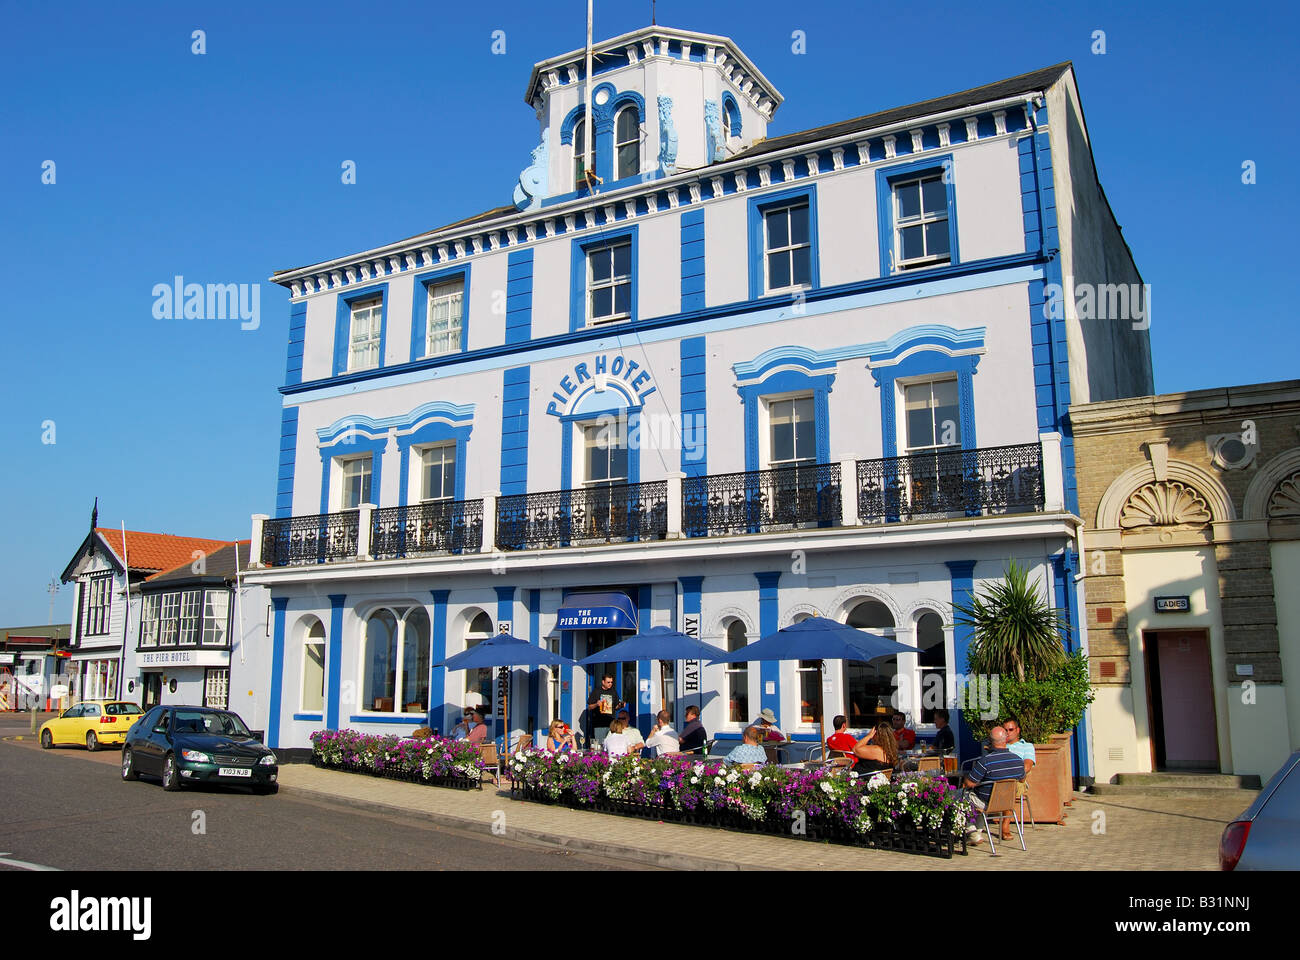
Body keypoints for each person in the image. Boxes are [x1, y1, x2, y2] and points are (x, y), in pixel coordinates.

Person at [962, 725, 1026, 844]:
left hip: (988, 803)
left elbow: (970, 783)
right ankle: (978, 832)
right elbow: (1022, 780)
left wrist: (966, 778)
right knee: (977, 799)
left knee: (961, 796)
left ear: (990, 742)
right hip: (1007, 803)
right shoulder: (1018, 760)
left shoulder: (986, 761)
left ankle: (972, 831)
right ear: (1006, 740)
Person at [1003, 718, 1037, 841]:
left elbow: (1027, 766)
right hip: (997, 779)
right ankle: (974, 830)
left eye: (1011, 730)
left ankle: (1005, 825)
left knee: (1008, 786)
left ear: (1017, 730)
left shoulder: (1026, 746)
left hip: (1017, 780)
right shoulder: (999, 746)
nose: (1008, 733)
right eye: (1005, 730)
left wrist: (1008, 773)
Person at [586, 674, 622, 746]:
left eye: (611, 682)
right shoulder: (596, 691)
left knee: (611, 744)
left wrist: (620, 705)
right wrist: (596, 704)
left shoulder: (613, 692)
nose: (610, 684)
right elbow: (589, 707)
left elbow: (615, 707)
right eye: (608, 682)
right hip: (599, 723)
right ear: (603, 682)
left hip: (611, 723)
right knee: (600, 744)